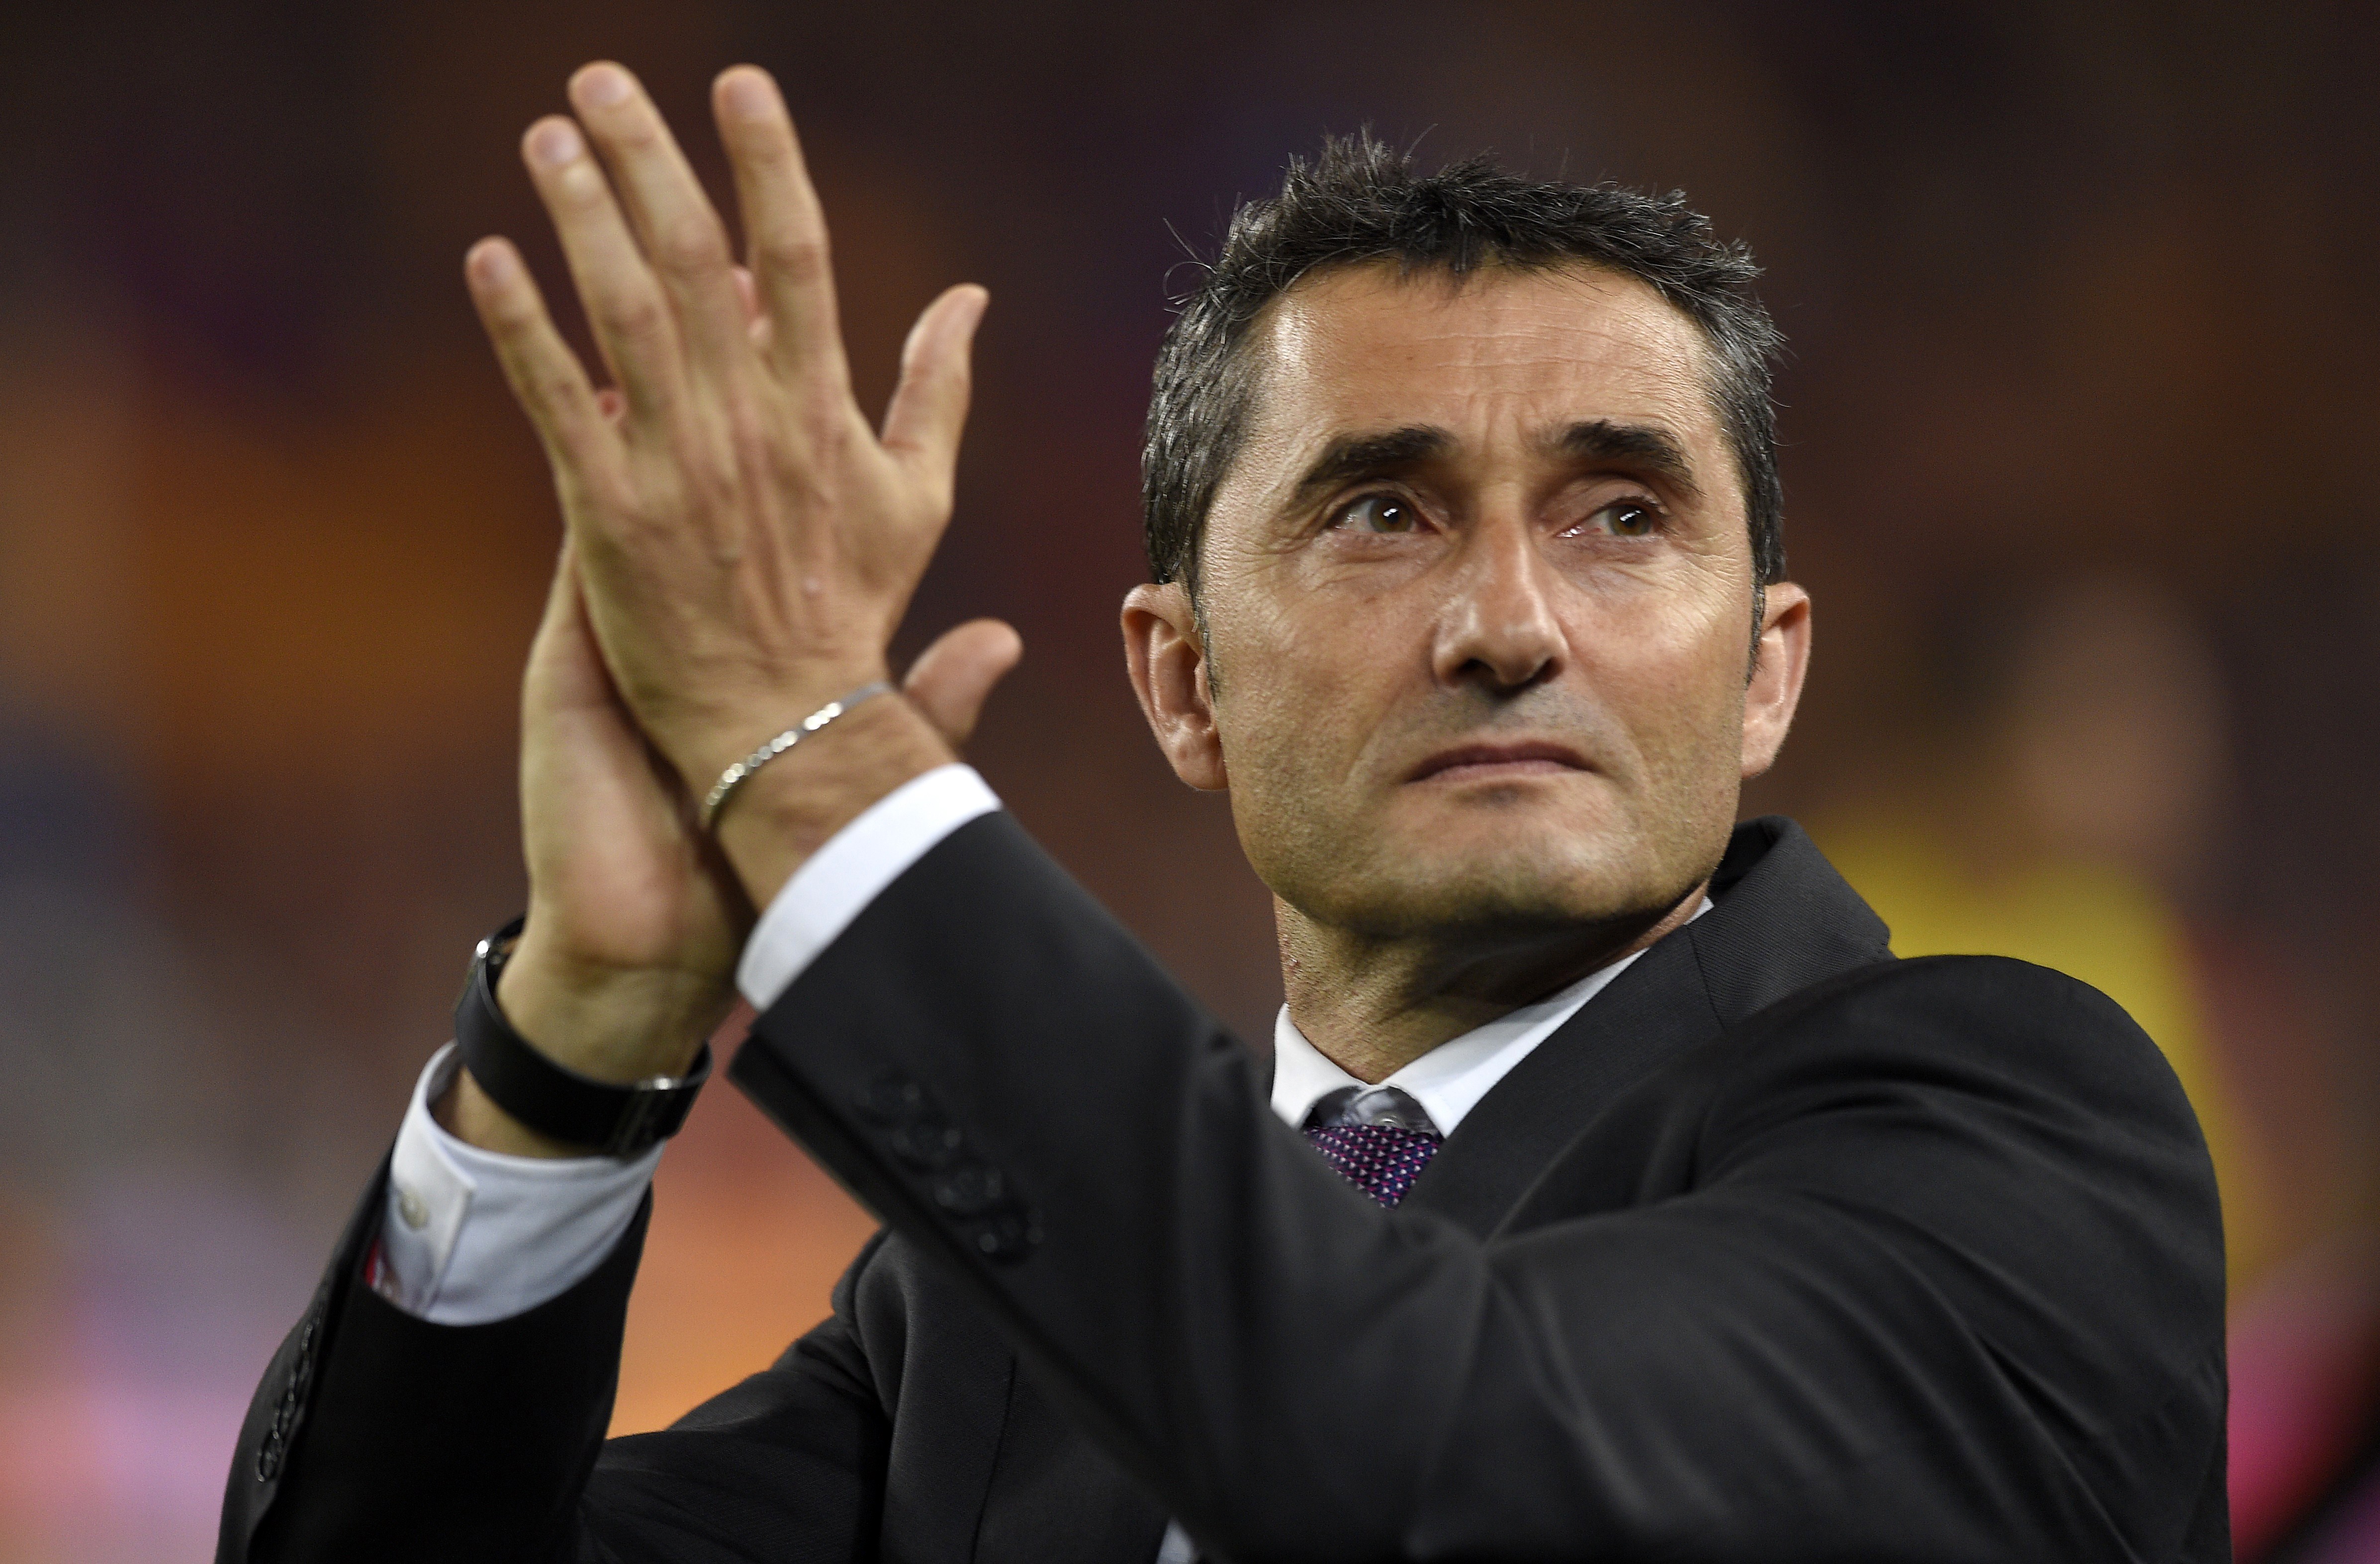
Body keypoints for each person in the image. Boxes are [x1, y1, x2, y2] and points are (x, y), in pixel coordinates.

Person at [215, 59, 2226, 1564]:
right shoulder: (976, 1324)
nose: (1509, 622)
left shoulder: (2006, 1134)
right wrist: (577, 1035)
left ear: (1767, 664)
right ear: (1179, 678)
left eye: (1623, 515)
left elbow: (1424, 1453)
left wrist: (811, 764)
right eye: (1382, 512)